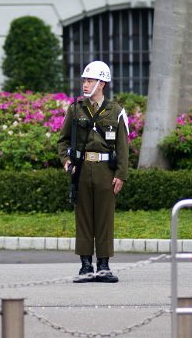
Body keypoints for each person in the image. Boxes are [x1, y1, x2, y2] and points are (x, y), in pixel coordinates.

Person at [57, 60, 129, 283]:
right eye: (84, 80)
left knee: (105, 218)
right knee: (84, 218)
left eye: (90, 80)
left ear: (102, 83)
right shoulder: (75, 109)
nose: (85, 84)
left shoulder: (115, 111)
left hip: (106, 171)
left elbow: (123, 147)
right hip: (82, 168)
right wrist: (67, 161)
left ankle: (104, 266)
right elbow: (63, 140)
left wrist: (121, 174)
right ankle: (86, 265)